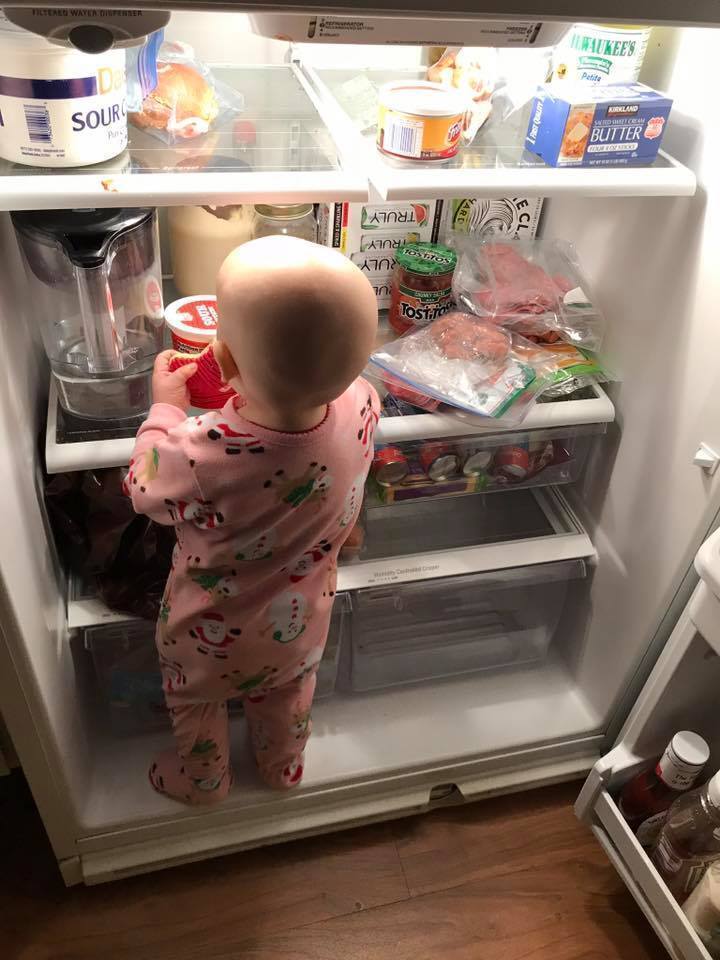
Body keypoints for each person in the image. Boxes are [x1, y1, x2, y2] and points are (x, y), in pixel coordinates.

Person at [125, 236, 379, 804]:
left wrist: (165, 409)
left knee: (196, 701)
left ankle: (204, 781)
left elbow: (143, 489)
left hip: (205, 633)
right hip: (301, 625)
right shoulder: (363, 402)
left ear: (222, 361)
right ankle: (282, 766)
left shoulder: (204, 448)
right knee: (289, 696)